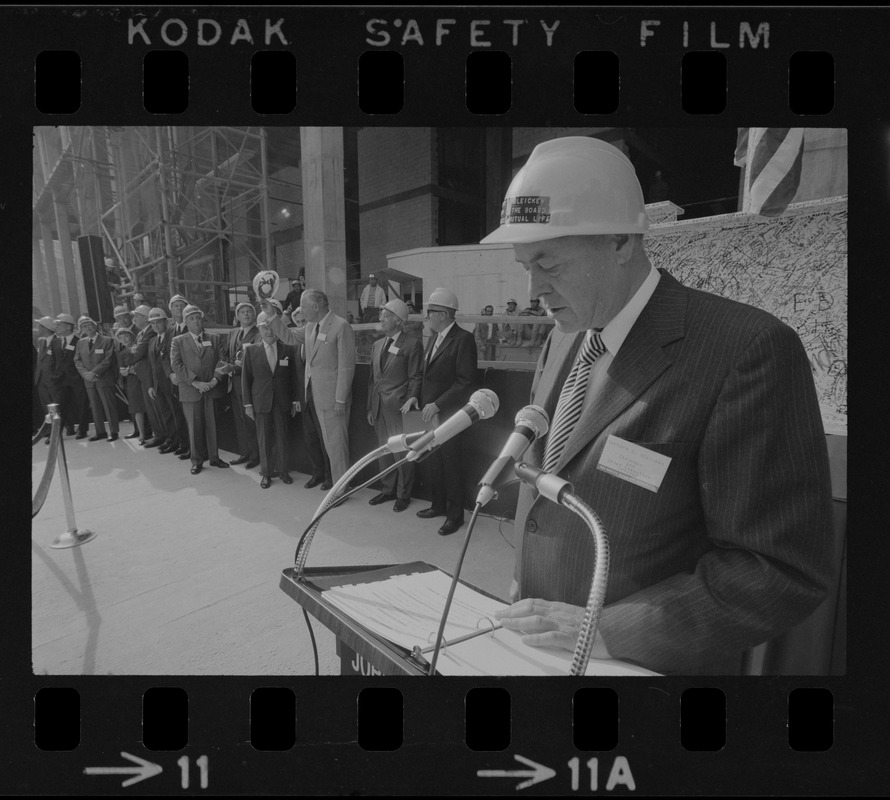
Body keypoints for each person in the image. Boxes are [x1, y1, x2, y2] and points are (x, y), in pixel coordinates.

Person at [480, 136, 834, 675]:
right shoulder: (562, 338)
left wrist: (609, 631)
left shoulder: (745, 350)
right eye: (524, 263)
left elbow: (778, 568)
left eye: (548, 263)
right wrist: (530, 577)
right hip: (540, 648)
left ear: (621, 241)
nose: (533, 289)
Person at [401, 288, 477, 536]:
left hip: (450, 415)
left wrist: (438, 404)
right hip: (429, 413)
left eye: (430, 312)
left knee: (452, 464)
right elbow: (424, 374)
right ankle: (438, 505)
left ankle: (455, 516)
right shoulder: (433, 338)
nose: (426, 317)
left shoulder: (463, 339)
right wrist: (415, 395)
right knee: (434, 461)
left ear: (443, 314)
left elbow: (465, 381)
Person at [260, 289, 355, 488]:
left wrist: (340, 399)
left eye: (303, 306)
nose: (300, 310)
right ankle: (336, 484)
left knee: (336, 447)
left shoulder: (340, 326)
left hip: (332, 399)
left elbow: (346, 366)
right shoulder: (311, 327)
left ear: (316, 306)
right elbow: (289, 337)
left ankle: (341, 488)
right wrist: (271, 315)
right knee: (328, 445)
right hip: (313, 395)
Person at [366, 299, 424, 512]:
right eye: (382, 314)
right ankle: (388, 489)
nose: (381, 318)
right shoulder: (377, 345)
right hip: (379, 408)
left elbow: (416, 376)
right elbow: (372, 380)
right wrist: (370, 408)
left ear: (399, 321)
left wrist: (412, 399)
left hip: (399, 409)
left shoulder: (412, 343)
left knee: (402, 453)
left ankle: (403, 494)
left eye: (386, 315)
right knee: (384, 451)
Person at [241, 312, 300, 488]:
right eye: (264, 327)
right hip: (261, 402)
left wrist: (295, 400)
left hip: (282, 401)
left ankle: (282, 470)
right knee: (264, 438)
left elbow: (294, 377)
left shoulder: (287, 349)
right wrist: (248, 404)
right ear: (259, 329)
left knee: (282, 436)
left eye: (272, 327)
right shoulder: (251, 351)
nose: (269, 331)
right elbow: (246, 379)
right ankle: (266, 473)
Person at [170, 304, 230, 475]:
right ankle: (197, 461)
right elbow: (176, 365)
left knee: (212, 425)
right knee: (194, 427)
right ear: (185, 321)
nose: (195, 321)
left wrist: (213, 381)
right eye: (191, 318)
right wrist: (195, 383)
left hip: (212, 388)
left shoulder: (215, 338)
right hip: (191, 390)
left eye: (197, 317)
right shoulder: (178, 341)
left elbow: (222, 360)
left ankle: (215, 457)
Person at [146, 307, 190, 457]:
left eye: (159, 322)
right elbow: (152, 366)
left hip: (172, 382)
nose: (156, 326)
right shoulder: (152, 341)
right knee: (167, 415)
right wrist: (151, 385)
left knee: (178, 415)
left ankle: (183, 443)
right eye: (153, 323)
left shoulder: (172, 336)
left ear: (166, 321)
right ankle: (172, 440)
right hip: (159, 385)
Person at [224, 302, 261, 469]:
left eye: (249, 312)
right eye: (242, 312)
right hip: (234, 384)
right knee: (240, 421)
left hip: (250, 384)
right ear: (237, 316)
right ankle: (244, 452)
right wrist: (228, 366)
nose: (246, 314)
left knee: (250, 421)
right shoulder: (232, 333)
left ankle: (255, 456)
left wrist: (237, 366)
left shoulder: (259, 333)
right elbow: (225, 354)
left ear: (254, 315)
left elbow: (258, 357)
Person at [74, 315, 119, 442]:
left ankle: (114, 431)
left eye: (89, 325)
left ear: (95, 326)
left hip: (103, 379)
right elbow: (77, 360)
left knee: (109, 406)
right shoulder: (80, 342)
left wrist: (94, 372)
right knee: (95, 406)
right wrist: (85, 374)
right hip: (89, 381)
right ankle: (100, 432)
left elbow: (108, 359)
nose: (86, 328)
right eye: (83, 326)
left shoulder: (107, 340)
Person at [50, 313, 91, 438]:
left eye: (59, 325)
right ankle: (57, 434)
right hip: (61, 380)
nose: (57, 327)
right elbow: (53, 360)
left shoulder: (80, 341)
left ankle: (82, 430)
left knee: (82, 405)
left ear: (68, 327)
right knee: (59, 406)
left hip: (77, 379)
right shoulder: (55, 342)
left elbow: (83, 360)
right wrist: (54, 374)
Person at [130, 304, 163, 448]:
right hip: (143, 376)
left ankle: (161, 435)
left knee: (155, 408)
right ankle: (158, 435)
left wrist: (133, 353)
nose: (134, 319)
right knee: (150, 408)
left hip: (150, 375)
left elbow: (137, 352)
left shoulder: (149, 332)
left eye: (137, 316)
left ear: (145, 317)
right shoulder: (140, 333)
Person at [114, 326, 148, 442]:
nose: (124, 339)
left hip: (144, 379)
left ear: (132, 336)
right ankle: (141, 434)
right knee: (137, 408)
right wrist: (129, 371)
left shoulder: (140, 347)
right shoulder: (121, 353)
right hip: (132, 382)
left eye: (126, 336)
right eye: (121, 338)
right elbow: (122, 371)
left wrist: (133, 369)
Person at [33, 316, 58, 442]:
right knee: (45, 406)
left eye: (40, 326)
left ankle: (66, 427)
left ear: (46, 328)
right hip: (41, 379)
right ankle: (49, 429)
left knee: (57, 403)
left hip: (53, 379)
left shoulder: (57, 341)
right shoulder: (41, 341)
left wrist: (56, 375)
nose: (38, 328)